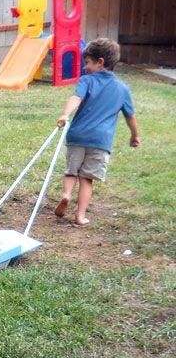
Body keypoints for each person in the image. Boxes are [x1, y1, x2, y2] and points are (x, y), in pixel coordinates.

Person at [54, 38, 140, 225]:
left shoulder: (86, 81)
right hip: (100, 141)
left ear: (100, 62)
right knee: (87, 179)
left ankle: (67, 194)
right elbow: (130, 116)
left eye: (88, 62)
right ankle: (80, 215)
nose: (85, 68)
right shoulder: (123, 89)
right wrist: (135, 135)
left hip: (77, 135)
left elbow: (76, 98)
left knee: (71, 171)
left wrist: (65, 115)